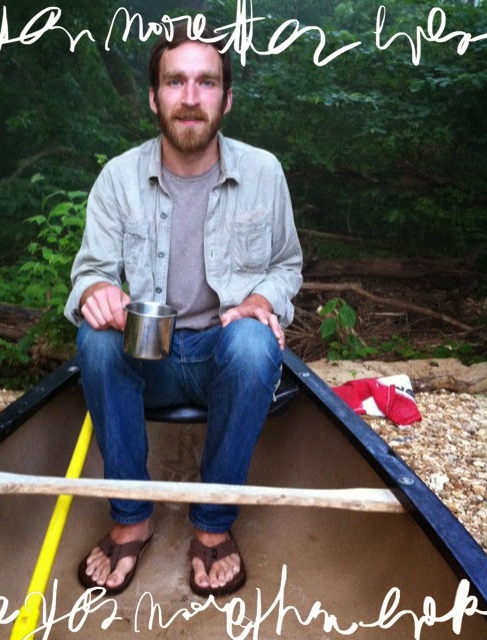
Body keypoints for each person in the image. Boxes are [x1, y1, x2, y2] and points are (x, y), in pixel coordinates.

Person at [64, 25, 303, 598]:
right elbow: (89, 273)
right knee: (96, 339)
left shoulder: (264, 172)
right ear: (154, 97)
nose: (191, 97)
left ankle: (213, 525)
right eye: (175, 82)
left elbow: (286, 265)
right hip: (151, 360)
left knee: (255, 342)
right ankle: (131, 517)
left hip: (227, 356)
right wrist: (97, 293)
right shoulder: (118, 177)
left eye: (206, 82)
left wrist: (260, 300)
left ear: (227, 98)